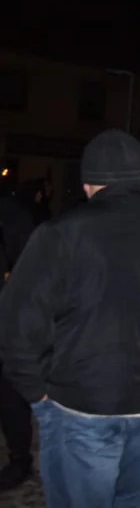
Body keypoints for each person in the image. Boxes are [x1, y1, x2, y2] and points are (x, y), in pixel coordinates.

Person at [0, 129, 140, 506]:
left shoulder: (60, 233)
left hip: (83, 403)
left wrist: (36, 394)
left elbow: (16, 323)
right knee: (131, 498)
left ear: (87, 184)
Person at [0, 193, 35, 491]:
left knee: (10, 392)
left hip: (6, 318)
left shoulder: (12, 214)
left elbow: (28, 270)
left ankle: (20, 459)